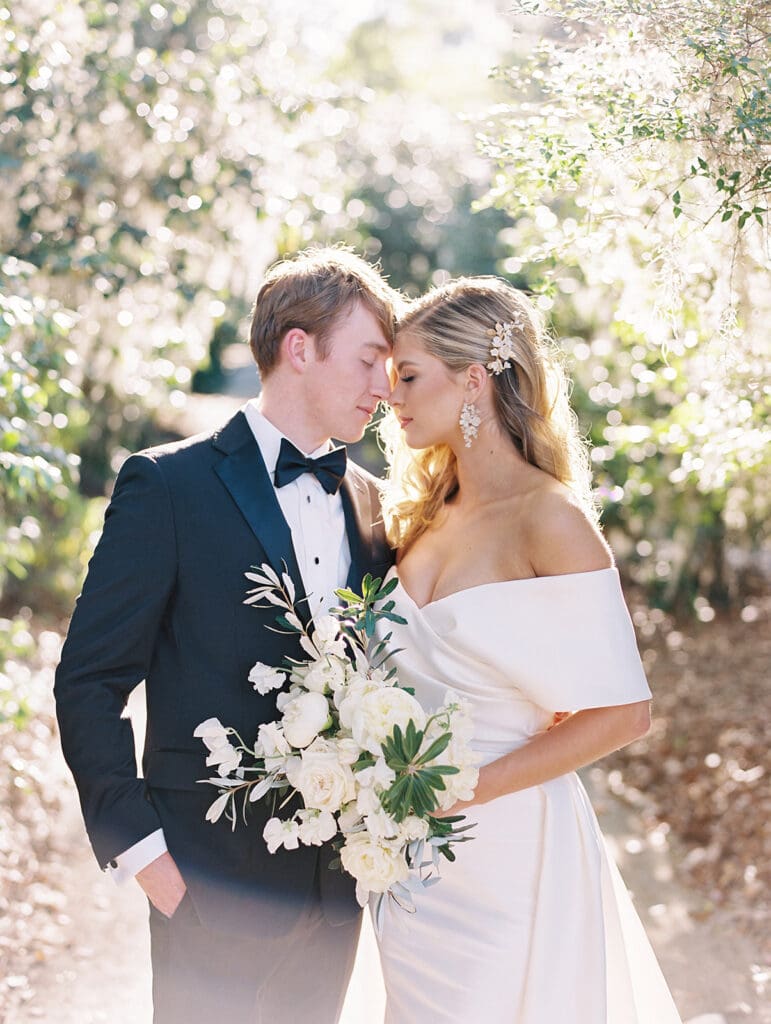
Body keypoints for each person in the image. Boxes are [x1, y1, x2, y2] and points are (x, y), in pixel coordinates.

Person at [54, 247, 399, 1023]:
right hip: (204, 891)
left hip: (334, 897)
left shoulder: (375, 504)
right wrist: (145, 857)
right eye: (370, 359)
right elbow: (89, 681)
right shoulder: (167, 485)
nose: (384, 386)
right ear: (299, 348)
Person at [375, 276, 683, 1022]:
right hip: (406, 854)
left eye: (408, 377)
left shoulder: (551, 517)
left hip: (505, 841)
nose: (393, 399)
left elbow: (623, 713)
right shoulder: (420, 511)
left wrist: (464, 788)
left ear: (473, 379)